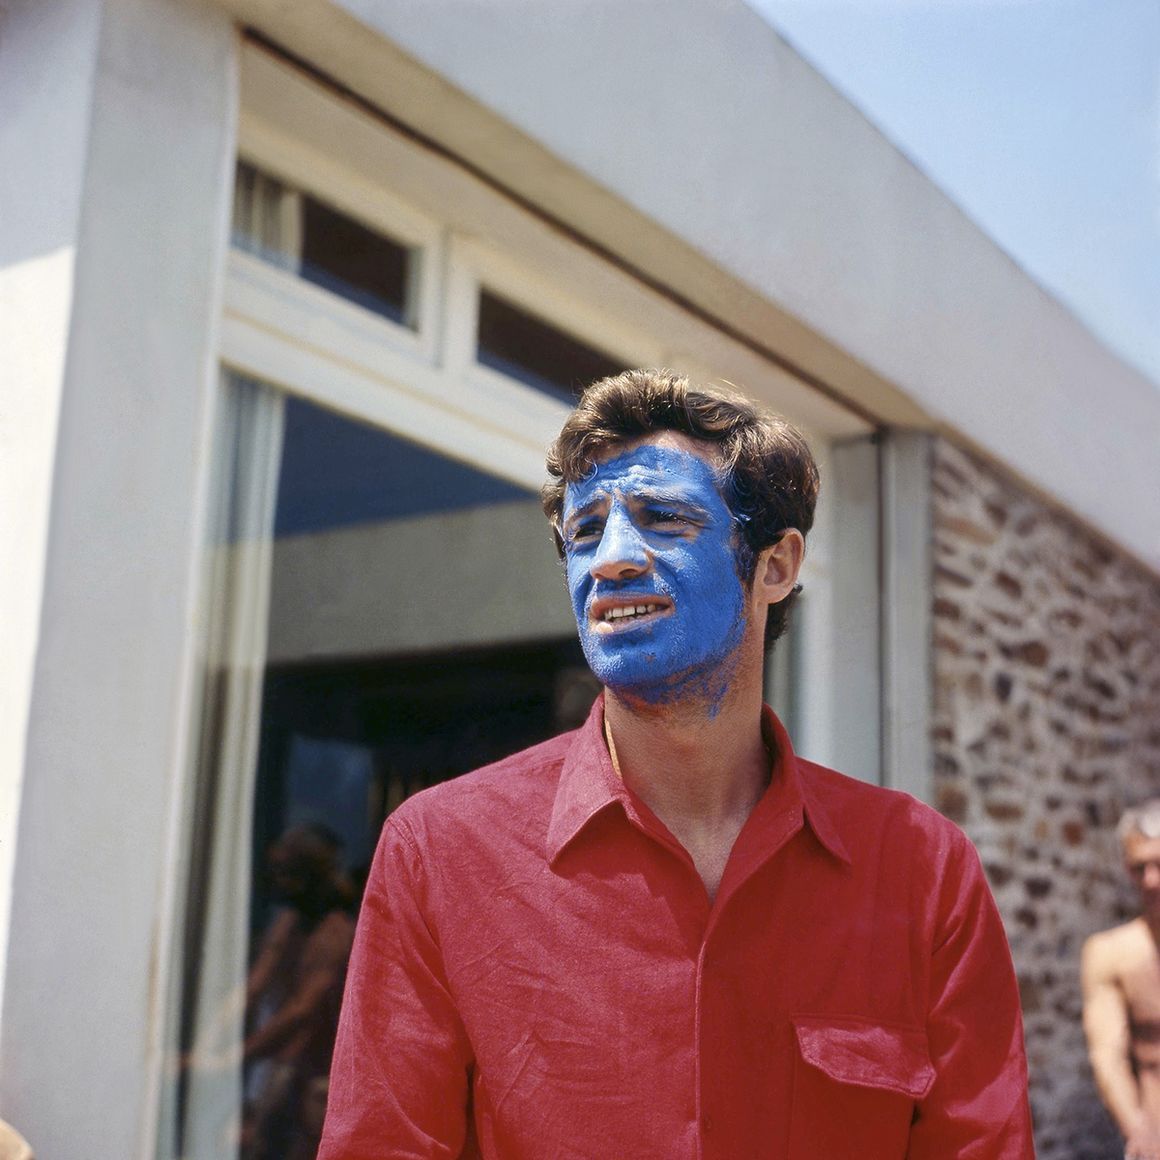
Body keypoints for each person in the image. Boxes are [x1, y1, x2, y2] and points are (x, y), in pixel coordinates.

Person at [319, 369, 1033, 1158]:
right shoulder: (439, 852)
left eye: (663, 519)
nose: (611, 559)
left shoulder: (924, 873)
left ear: (776, 566)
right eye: (585, 532)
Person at [1083, 800, 1160, 1160]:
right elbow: (1107, 1057)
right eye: (1138, 867)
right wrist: (1140, 1133)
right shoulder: (1111, 953)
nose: (1150, 880)